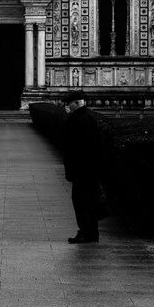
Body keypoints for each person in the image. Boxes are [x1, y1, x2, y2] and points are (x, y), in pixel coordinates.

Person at [62, 103, 104, 244]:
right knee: (90, 201)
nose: (65, 107)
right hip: (90, 169)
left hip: (81, 170)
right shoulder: (89, 118)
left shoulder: (75, 120)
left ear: (73, 104)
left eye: (67, 104)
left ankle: (85, 232)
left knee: (80, 202)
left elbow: (73, 147)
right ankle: (92, 232)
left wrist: (71, 169)